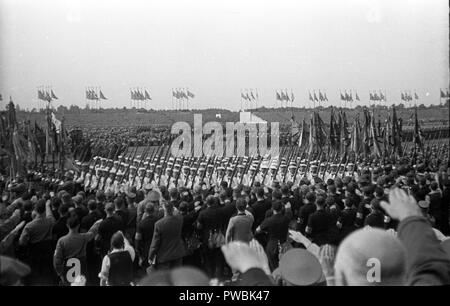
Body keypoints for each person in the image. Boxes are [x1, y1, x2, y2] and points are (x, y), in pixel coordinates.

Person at [53, 215, 101, 285]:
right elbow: (92, 232)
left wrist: (60, 274)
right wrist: (97, 223)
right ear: (78, 225)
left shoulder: (61, 241)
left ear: (67, 225)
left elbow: (57, 260)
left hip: (68, 270)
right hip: (82, 268)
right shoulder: (84, 237)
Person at [148, 201, 186, 270]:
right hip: (177, 254)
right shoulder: (180, 219)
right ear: (172, 209)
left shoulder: (159, 224)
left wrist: (151, 256)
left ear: (164, 210)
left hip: (164, 256)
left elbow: (155, 244)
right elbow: (178, 213)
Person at [256, 200, 290, 271]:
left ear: (273, 209)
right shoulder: (286, 218)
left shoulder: (269, 220)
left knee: (273, 267)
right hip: (284, 244)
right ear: (281, 208)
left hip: (272, 244)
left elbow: (258, 230)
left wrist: (265, 230)